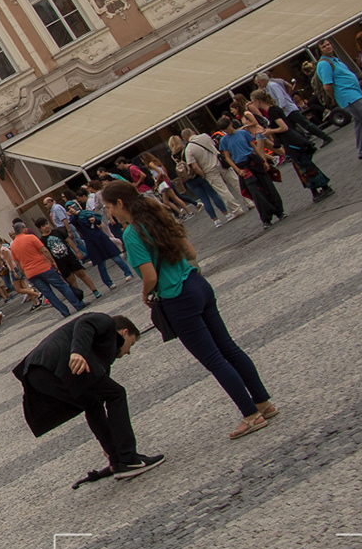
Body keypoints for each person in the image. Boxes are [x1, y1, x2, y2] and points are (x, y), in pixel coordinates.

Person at [103, 181, 278, 441]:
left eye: (108, 207)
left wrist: (145, 293)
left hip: (177, 297)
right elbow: (191, 251)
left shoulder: (131, 233)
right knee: (229, 348)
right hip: (197, 284)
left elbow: (149, 275)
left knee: (214, 360)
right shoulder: (159, 214)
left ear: (120, 203)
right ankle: (263, 402)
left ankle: (251, 415)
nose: (108, 213)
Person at [12, 313, 163, 480]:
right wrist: (78, 352)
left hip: (37, 372)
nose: (128, 352)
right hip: (51, 364)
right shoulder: (106, 322)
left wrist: (109, 445)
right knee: (116, 394)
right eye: (131, 344)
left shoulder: (100, 352)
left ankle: (118, 460)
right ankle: (128, 458)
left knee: (92, 403)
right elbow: (84, 323)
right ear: (124, 332)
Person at [254, 94, 333, 201]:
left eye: (254, 101)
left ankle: (322, 187)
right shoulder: (274, 109)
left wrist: (270, 131)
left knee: (304, 166)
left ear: (258, 101)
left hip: (291, 141)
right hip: (291, 141)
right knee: (303, 166)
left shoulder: (272, 111)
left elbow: (284, 127)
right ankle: (317, 189)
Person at [216, 117, 284, 228]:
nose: (226, 131)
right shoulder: (224, 141)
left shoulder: (243, 133)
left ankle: (279, 211)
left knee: (268, 187)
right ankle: (266, 218)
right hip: (242, 166)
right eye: (224, 129)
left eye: (226, 127)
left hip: (253, 161)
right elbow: (228, 158)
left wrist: (263, 160)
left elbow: (255, 147)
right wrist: (238, 170)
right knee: (256, 193)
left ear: (231, 124)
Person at [11, 220, 84, 317]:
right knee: (62, 286)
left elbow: (17, 263)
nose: (26, 229)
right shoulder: (31, 238)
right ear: (21, 229)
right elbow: (44, 250)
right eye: (25, 227)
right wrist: (53, 262)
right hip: (42, 267)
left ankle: (64, 312)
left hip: (30, 273)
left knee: (48, 294)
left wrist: (25, 273)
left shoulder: (13, 246)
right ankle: (77, 305)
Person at [38, 217, 102, 303]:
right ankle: (79, 298)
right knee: (71, 280)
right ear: (40, 228)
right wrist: (52, 263)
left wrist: (77, 251)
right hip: (60, 262)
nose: (46, 227)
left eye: (46, 224)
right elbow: (45, 253)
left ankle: (94, 290)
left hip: (70, 256)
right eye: (43, 226)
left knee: (81, 273)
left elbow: (69, 241)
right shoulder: (42, 240)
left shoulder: (58, 232)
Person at [259, 71, 333, 145]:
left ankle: (325, 137)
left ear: (263, 80)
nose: (259, 84)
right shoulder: (268, 88)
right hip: (286, 112)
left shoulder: (272, 86)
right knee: (293, 130)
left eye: (259, 82)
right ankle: (308, 143)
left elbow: (280, 97)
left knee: (306, 125)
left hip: (289, 110)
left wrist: (281, 108)